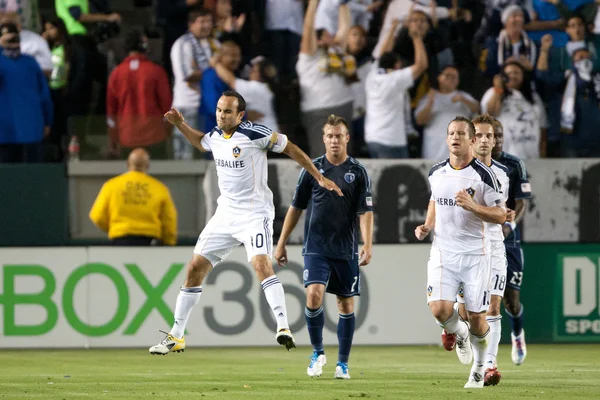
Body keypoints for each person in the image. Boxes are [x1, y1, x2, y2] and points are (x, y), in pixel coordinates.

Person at [149, 90, 343, 355]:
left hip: (254, 213)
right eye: (219, 109)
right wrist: (180, 124)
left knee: (261, 264)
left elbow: (291, 149)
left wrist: (318, 177)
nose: (221, 115)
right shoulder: (216, 136)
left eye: (227, 111)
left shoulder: (255, 134)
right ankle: (177, 335)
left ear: (240, 115)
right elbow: (201, 143)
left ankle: (284, 327)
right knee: (195, 267)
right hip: (225, 214)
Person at [274, 115, 374, 380]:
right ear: (324, 139)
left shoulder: (358, 172)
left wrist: (367, 243)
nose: (334, 141)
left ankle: (343, 363)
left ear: (347, 138)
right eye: (330, 136)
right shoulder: (312, 170)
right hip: (316, 246)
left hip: (345, 248)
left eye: (339, 136)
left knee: (345, 304)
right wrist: (281, 242)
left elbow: (365, 211)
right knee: (313, 295)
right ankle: (317, 352)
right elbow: (296, 208)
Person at [415, 116, 506, 389]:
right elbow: (434, 199)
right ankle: (459, 333)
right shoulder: (436, 172)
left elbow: (501, 215)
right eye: (451, 133)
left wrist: (472, 206)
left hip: (476, 256)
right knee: (439, 310)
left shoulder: (484, 175)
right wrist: (427, 225)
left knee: (478, 318)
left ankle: (479, 367)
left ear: (472, 140)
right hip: (443, 251)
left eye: (461, 133)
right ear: (446, 139)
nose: (456, 137)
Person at [448, 114, 513, 387]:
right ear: (472, 139)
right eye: (482, 135)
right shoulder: (459, 172)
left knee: (493, 305)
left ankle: (489, 365)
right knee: (467, 312)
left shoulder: (502, 173)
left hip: (495, 246)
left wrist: (501, 214)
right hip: (467, 247)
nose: (486, 140)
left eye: (491, 136)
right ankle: (458, 328)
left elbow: (499, 211)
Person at [492, 118, 532, 366]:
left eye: (498, 135)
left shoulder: (515, 164)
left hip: (508, 240)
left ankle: (517, 334)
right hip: (481, 239)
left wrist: (509, 225)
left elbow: (521, 202)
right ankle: (486, 358)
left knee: (511, 300)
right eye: (490, 135)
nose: (495, 140)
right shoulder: (473, 164)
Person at [89, 148, 178, 246]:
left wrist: (114, 228)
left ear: (127, 164)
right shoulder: (160, 188)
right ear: (148, 166)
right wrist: (169, 242)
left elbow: (97, 216)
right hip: (149, 241)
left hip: (120, 239)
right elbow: (169, 220)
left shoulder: (111, 185)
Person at [106, 30, 173, 159]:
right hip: (154, 136)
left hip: (126, 136)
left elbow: (111, 111)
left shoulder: (116, 74)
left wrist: (113, 139)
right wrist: (168, 132)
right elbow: (166, 106)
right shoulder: (156, 71)